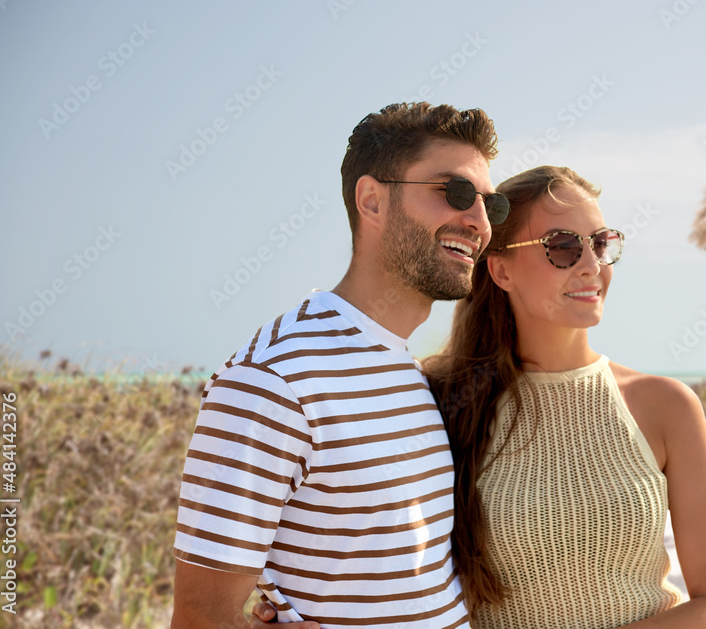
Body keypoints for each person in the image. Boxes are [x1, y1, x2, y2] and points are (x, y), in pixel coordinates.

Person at [252, 165, 706, 628]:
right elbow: (350, 535)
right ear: (502, 272)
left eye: (601, 243)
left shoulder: (665, 406)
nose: (592, 265)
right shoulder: (439, 399)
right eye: (563, 246)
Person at [170, 102, 510, 629]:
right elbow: (201, 619)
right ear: (372, 200)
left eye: (492, 204)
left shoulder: (405, 370)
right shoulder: (274, 381)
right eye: (456, 193)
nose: (480, 223)